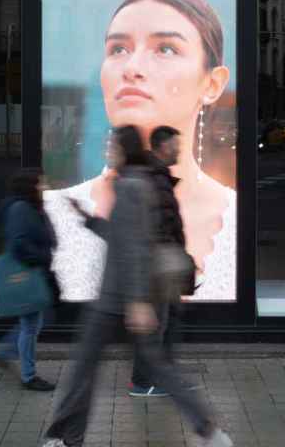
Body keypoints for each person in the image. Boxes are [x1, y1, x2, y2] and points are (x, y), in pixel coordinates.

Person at [41, 126, 232, 447]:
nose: (107, 151)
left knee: (83, 371)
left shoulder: (131, 186)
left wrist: (136, 302)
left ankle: (64, 439)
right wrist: (87, 218)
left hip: (117, 301)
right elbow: (122, 236)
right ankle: (210, 432)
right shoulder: (135, 182)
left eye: (111, 146)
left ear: (122, 149)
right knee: (156, 368)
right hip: (128, 299)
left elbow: (135, 248)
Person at [44, 0, 236, 302]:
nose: (131, 68)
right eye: (118, 49)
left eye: (166, 49)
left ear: (212, 83)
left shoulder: (236, 222)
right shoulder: (52, 209)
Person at [71, 126, 193, 398]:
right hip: (152, 273)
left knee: (162, 328)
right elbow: (138, 238)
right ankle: (146, 382)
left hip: (154, 270)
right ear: (163, 147)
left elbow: (136, 234)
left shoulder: (143, 179)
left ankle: (161, 382)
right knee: (154, 331)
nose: (179, 150)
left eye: (112, 147)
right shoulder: (143, 181)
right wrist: (139, 297)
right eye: (176, 145)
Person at [0, 168, 60, 392]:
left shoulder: (31, 207)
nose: (45, 187)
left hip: (35, 271)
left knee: (33, 324)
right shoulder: (21, 209)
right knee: (31, 326)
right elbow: (19, 243)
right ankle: (28, 376)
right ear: (30, 186)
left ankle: (10, 356)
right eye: (41, 183)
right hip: (29, 273)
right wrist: (43, 256)